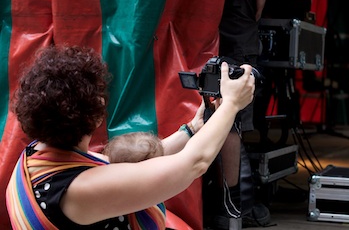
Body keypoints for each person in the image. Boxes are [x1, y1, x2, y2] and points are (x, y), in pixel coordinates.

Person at [5, 44, 255, 230]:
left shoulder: (38, 156)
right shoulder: (77, 190)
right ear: (94, 115)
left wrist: (191, 129)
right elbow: (193, 164)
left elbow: (127, 171)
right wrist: (231, 104)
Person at [207, 0, 272, 229]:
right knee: (231, 113)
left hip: (221, 2)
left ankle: (234, 205)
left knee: (223, 107)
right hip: (231, 5)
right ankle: (234, 205)